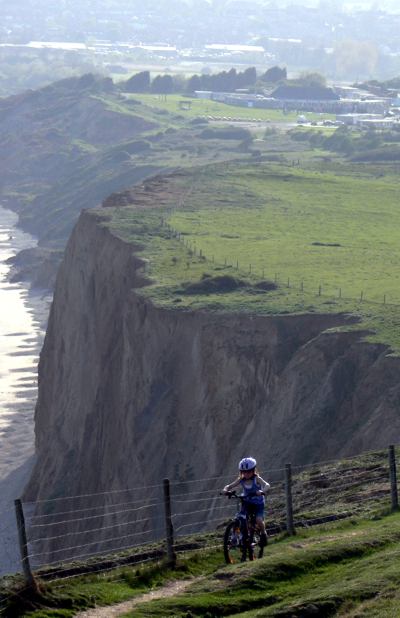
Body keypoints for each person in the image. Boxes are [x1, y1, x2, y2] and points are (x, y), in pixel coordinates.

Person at [222, 456, 269, 548]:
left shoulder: (257, 479)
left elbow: (267, 485)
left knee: (259, 520)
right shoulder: (241, 479)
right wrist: (225, 490)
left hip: (258, 503)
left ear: (254, 470)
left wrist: (262, 491)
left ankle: (263, 534)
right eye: (243, 472)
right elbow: (230, 485)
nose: (246, 474)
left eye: (248, 471)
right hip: (247, 502)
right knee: (240, 518)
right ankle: (235, 538)